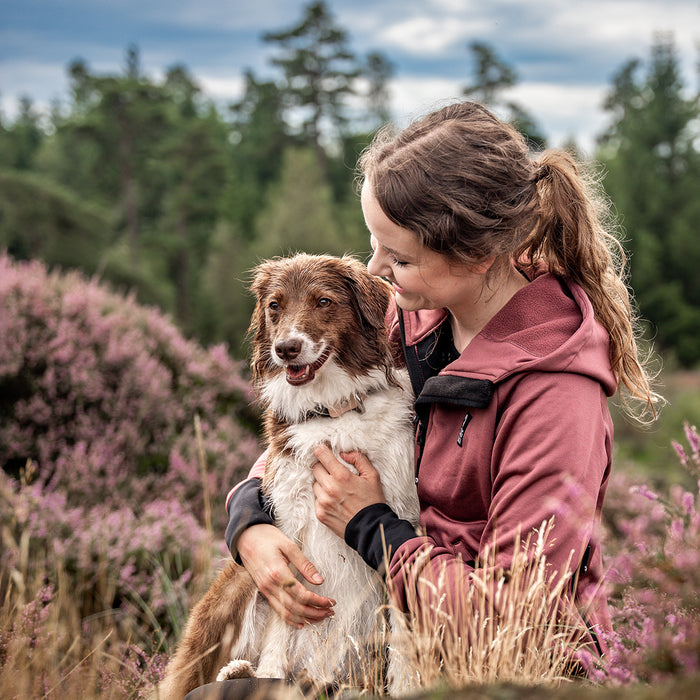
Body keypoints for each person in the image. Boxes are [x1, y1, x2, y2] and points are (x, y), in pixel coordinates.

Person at [222, 101, 658, 685]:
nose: (375, 269)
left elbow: (513, 618)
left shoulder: (555, 397)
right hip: (389, 639)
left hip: (500, 677)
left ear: (477, 256)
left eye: (398, 257)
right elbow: (313, 429)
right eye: (374, 245)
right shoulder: (415, 319)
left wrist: (373, 525)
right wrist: (249, 520)